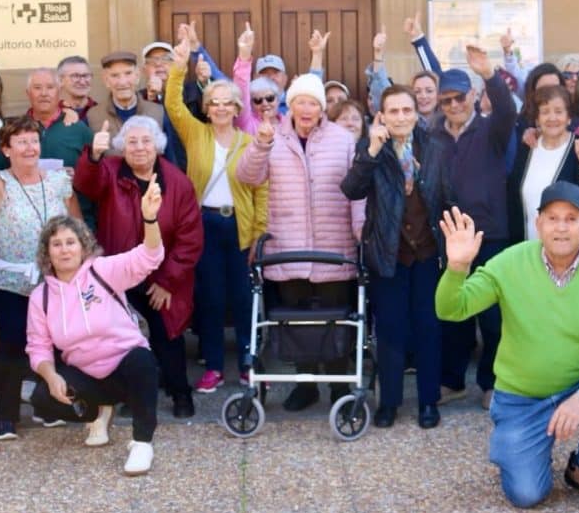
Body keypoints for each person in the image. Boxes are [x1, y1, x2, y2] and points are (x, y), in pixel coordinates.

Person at [435, 185, 579, 509]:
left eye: (571, 218)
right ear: (538, 223)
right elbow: (451, 309)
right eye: (552, 218)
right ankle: (523, 447)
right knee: (527, 494)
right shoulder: (510, 262)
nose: (561, 227)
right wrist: (457, 267)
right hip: (522, 398)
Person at [236, 73, 364, 411]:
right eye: (299, 102)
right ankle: (306, 386)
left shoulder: (342, 139)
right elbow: (247, 176)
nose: (306, 109)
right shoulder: (271, 136)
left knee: (335, 323)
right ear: (290, 106)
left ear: (321, 108)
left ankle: (339, 388)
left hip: (334, 249)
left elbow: (358, 191)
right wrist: (260, 145)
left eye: (312, 103)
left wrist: (361, 230)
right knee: (295, 323)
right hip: (287, 249)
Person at [25, 182, 167, 476]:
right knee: (41, 397)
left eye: (71, 242)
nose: (65, 249)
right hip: (86, 376)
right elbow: (38, 347)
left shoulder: (103, 271)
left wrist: (150, 218)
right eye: (56, 244)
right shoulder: (41, 296)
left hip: (124, 367)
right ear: (47, 252)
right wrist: (51, 376)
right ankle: (94, 413)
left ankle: (142, 442)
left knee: (142, 360)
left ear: (83, 246)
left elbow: (149, 256)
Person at [74, 116, 203, 417]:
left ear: (157, 145)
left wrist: (168, 282)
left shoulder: (178, 182)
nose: (140, 147)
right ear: (122, 147)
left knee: (167, 336)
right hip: (120, 274)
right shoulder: (110, 170)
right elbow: (85, 184)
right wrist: (94, 157)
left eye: (146, 141)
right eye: (132, 142)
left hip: (162, 276)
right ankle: (135, 399)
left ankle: (181, 395)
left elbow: (190, 238)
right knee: (126, 340)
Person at [342, 84, 452, 428]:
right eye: (394, 111)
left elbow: (447, 197)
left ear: (416, 114)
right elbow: (351, 189)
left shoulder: (435, 147)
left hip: (428, 254)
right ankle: (388, 402)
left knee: (428, 328)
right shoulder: (371, 148)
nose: (401, 117)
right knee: (390, 331)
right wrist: (372, 150)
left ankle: (428, 402)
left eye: (407, 110)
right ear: (382, 115)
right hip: (388, 254)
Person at [0, 115, 79, 440]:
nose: (30, 148)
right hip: (11, 283)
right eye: (22, 142)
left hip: (55, 281)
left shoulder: (58, 180)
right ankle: (6, 416)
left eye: (34, 141)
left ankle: (49, 406)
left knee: (56, 343)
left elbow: (76, 225)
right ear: (6, 148)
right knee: (13, 343)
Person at [163, 39, 267, 393]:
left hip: (239, 225)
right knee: (210, 298)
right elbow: (173, 104)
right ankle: (214, 367)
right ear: (206, 108)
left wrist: (259, 232)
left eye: (227, 103)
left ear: (237, 108)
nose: (221, 108)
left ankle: (248, 364)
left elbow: (261, 188)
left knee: (243, 298)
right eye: (214, 103)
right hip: (203, 225)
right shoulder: (196, 133)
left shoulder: (248, 141)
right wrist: (179, 67)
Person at [427, 47, 519, 411]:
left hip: (490, 234)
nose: (453, 105)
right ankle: (452, 380)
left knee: (492, 315)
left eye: (459, 98)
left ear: (472, 97)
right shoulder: (432, 136)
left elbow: (508, 111)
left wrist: (489, 75)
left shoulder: (490, 130)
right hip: (450, 239)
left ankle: (491, 382)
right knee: (453, 314)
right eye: (446, 100)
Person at [510, 85, 579, 242]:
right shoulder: (527, 148)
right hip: (528, 246)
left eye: (558, 111)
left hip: (567, 247)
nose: (552, 118)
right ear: (537, 119)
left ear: (569, 117)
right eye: (545, 112)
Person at [84, 51, 168, 151]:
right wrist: (94, 155)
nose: (122, 82)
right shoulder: (93, 116)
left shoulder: (158, 112)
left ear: (137, 76)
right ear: (106, 80)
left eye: (128, 73)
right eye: (114, 75)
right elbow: (85, 157)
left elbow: (170, 156)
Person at [25, 66, 92, 168]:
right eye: (37, 88)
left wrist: (77, 174)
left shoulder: (79, 129)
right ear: (28, 93)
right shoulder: (16, 130)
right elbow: (1, 171)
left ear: (59, 91)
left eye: (50, 87)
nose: (44, 93)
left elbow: (95, 171)